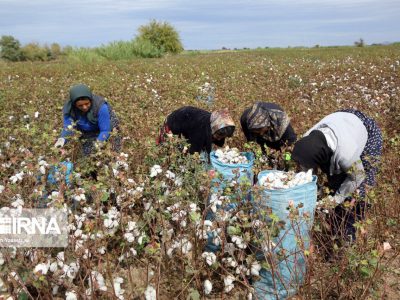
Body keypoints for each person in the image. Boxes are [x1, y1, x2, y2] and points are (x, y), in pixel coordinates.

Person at [292, 109, 382, 240]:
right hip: (342, 120)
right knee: (335, 181)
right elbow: (309, 167)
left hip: (366, 130)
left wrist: (335, 200)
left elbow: (358, 176)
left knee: (358, 192)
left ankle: (347, 235)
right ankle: (335, 222)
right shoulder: (308, 140)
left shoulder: (345, 154)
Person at [55, 84, 120, 155]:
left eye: (87, 103)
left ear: (90, 100)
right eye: (80, 105)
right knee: (87, 153)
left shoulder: (101, 107)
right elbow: (68, 127)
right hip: (87, 129)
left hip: (106, 125)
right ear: (74, 104)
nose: (84, 107)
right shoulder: (70, 109)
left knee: (113, 147)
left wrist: (98, 144)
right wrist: (62, 140)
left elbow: (105, 130)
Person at [157, 106, 235, 155]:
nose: (219, 139)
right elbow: (193, 153)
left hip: (187, 120)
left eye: (222, 137)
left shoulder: (216, 123)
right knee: (173, 151)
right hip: (173, 124)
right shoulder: (200, 129)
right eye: (218, 135)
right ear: (214, 129)